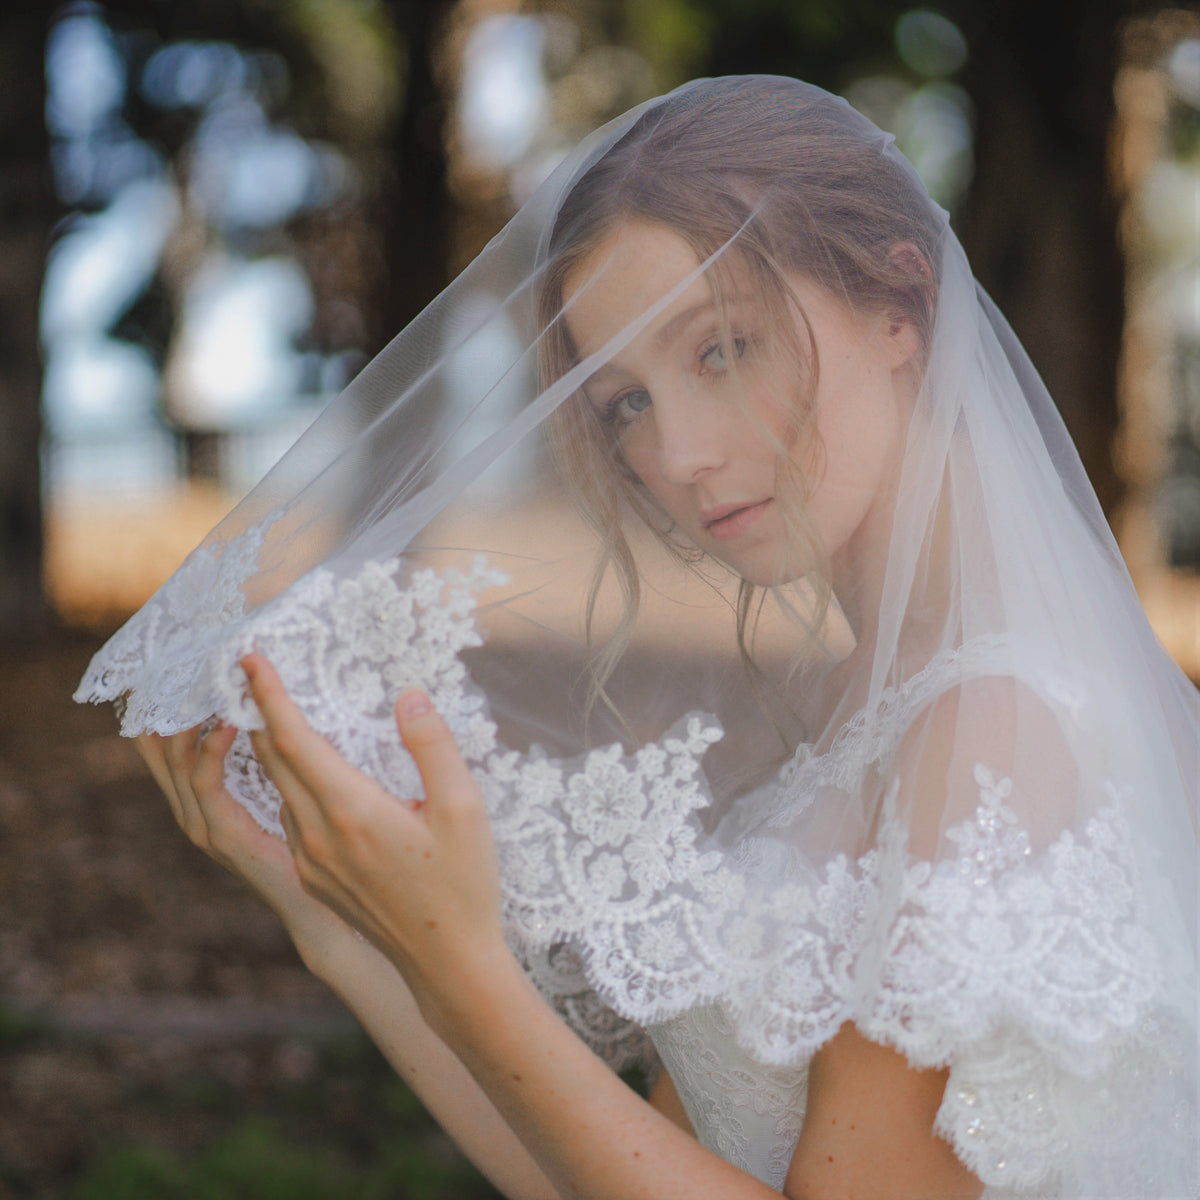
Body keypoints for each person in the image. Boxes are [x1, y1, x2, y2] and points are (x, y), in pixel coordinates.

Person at [78, 76, 1199, 1198]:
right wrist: (346, 932)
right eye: (625, 404)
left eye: (721, 350)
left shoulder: (995, 721)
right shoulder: (872, 704)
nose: (678, 456)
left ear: (901, 305)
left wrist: (466, 967)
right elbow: (608, 1174)